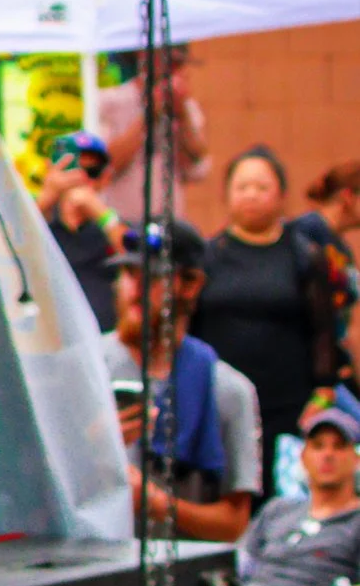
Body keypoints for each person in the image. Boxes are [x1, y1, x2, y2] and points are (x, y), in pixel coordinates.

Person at [97, 220, 263, 541]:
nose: (135, 287)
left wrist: (158, 504)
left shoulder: (227, 389)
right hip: (94, 560)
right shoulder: (86, 370)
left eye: (153, 276)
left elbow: (233, 525)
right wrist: (96, 445)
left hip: (184, 565)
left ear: (191, 285)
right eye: (129, 273)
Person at [194, 147, 346, 496]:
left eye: (262, 187)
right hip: (221, 403)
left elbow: (324, 329)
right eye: (242, 187)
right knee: (226, 492)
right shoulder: (207, 256)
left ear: (281, 196)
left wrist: (323, 392)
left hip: (288, 404)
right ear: (227, 195)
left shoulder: (305, 255)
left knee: (281, 499)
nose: (252, 195)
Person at [235, 406, 360, 586]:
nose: (328, 455)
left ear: (356, 458)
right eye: (318, 446)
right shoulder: (277, 509)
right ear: (303, 455)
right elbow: (238, 565)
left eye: (339, 446)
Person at [98, 47, 208, 223]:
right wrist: (149, 115)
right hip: (121, 221)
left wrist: (182, 116)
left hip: (171, 223)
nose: (174, 70)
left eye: (179, 64)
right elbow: (104, 165)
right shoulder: (112, 101)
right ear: (144, 57)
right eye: (169, 62)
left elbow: (197, 166)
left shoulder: (186, 106)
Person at [36, 131, 126, 329]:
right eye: (71, 170)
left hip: (104, 336)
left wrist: (99, 212)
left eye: (92, 172)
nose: (81, 178)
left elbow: (135, 254)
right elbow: (10, 251)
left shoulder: (111, 225)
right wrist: (46, 198)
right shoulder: (41, 219)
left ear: (105, 177)